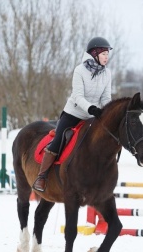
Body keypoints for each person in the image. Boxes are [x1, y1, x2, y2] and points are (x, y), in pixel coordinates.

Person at [32, 36, 113, 192]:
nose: (106, 57)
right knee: (58, 140)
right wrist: (91, 109)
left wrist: (106, 111)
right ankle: (41, 177)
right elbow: (77, 96)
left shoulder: (107, 73)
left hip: (93, 115)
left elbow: (106, 97)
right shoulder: (79, 70)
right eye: (104, 54)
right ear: (94, 53)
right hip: (74, 113)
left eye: (107, 55)